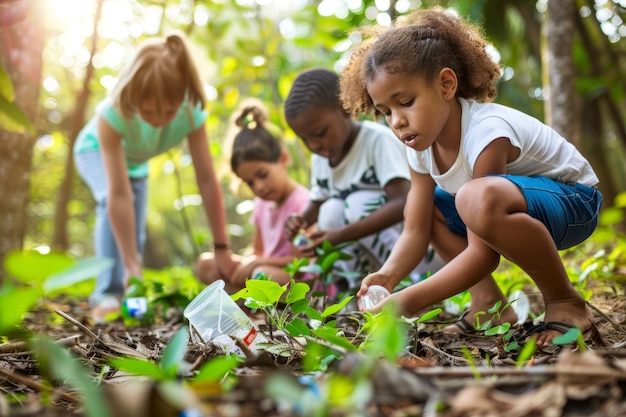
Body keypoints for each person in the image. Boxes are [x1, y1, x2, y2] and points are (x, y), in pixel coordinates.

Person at [340, 7, 602, 347]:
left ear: (446, 84)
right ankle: (488, 306)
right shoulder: (420, 147)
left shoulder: (486, 133)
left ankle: (564, 301)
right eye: (386, 111)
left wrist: (407, 302)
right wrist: (388, 276)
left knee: (475, 197)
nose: (396, 121)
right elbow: (416, 228)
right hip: (518, 205)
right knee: (433, 205)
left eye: (405, 102)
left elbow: (482, 255)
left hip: (576, 203)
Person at [74, 31, 237, 323]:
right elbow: (118, 194)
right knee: (107, 202)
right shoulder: (112, 114)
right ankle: (107, 293)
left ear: (182, 99)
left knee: (133, 229)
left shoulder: (191, 112)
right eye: (148, 110)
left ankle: (129, 291)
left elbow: (207, 180)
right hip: (94, 151)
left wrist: (222, 247)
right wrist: (131, 264)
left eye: (168, 111)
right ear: (134, 95)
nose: (159, 119)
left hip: (136, 164)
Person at [283, 68, 443, 293]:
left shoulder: (377, 141)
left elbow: (402, 203)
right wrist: (298, 220)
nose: (314, 145)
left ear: (345, 109)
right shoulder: (322, 158)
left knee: (357, 205)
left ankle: (405, 285)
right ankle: (357, 291)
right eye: (305, 139)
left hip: (419, 252)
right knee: (330, 210)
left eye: (320, 132)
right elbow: (318, 203)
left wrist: (340, 235)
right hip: (373, 254)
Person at [195, 99, 310, 293]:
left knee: (261, 274)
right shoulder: (262, 205)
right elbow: (256, 249)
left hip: (296, 281)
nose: (259, 187)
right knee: (206, 264)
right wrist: (243, 263)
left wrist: (257, 262)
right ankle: (244, 306)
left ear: (282, 159)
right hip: (262, 271)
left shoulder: (302, 203)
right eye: (250, 182)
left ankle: (251, 305)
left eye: (262, 175)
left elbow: (302, 262)